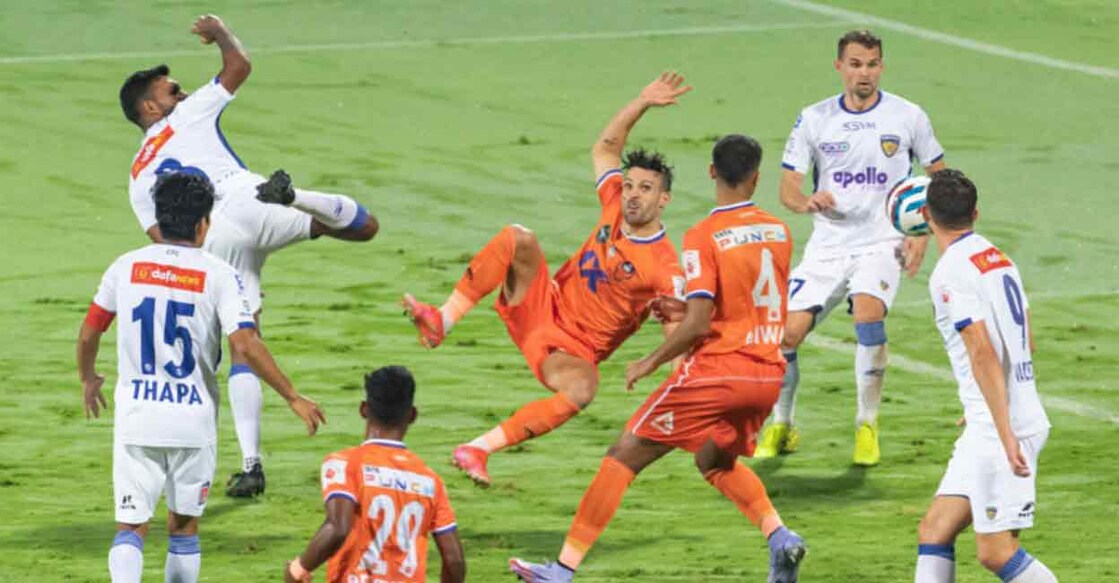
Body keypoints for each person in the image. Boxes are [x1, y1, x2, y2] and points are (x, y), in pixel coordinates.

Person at [509, 135, 806, 582]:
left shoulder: (702, 236)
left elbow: (701, 322)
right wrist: (685, 312)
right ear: (756, 177)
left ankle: (562, 570)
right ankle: (780, 536)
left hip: (719, 374)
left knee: (623, 455)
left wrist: (651, 359)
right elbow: (745, 304)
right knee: (714, 461)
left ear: (711, 173)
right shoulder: (779, 232)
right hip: (767, 376)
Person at [119, 14, 378, 496]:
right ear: (152, 108)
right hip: (255, 201)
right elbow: (239, 65)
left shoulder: (136, 177)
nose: (181, 93)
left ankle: (251, 465)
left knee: (243, 344)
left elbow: (165, 237)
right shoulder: (187, 115)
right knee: (363, 227)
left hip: (214, 235)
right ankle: (296, 196)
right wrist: (219, 32)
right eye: (172, 90)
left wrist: (214, 272)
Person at [403, 73, 689, 487]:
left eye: (645, 189)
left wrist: (677, 384)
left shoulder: (666, 268)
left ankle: (478, 448)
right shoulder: (612, 204)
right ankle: (442, 320)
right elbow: (607, 148)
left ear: (664, 200)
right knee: (519, 237)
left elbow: (675, 333)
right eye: (629, 185)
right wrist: (641, 101)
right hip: (542, 305)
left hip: (571, 349)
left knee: (583, 391)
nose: (632, 195)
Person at [77, 172, 325, 583]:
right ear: (203, 224)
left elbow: (90, 330)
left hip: (137, 420)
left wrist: (88, 378)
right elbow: (245, 344)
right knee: (183, 530)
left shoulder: (125, 266)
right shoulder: (218, 274)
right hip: (193, 424)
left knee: (131, 528)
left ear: (160, 218)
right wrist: (291, 396)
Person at [758, 29, 948, 465]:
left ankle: (867, 425)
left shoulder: (908, 116)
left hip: (883, 241)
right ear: (840, 67)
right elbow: (788, 185)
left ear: (882, 66)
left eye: (873, 64)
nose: (865, 73)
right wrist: (806, 201)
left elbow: (941, 177)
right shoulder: (814, 118)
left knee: (868, 313)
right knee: (784, 337)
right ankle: (782, 425)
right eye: (856, 64)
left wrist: (921, 233)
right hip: (828, 245)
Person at [914, 169, 1055, 582]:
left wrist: (1002, 421)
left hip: (1001, 430)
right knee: (935, 529)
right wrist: (989, 399)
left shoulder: (949, 272)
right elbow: (1025, 332)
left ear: (925, 215)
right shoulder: (997, 257)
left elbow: (981, 349)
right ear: (975, 212)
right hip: (993, 419)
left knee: (996, 552)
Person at [284, 366, 465, 583]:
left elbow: (338, 528)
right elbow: (454, 560)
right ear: (412, 415)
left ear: (364, 409)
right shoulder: (430, 481)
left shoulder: (345, 463)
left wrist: (299, 569)